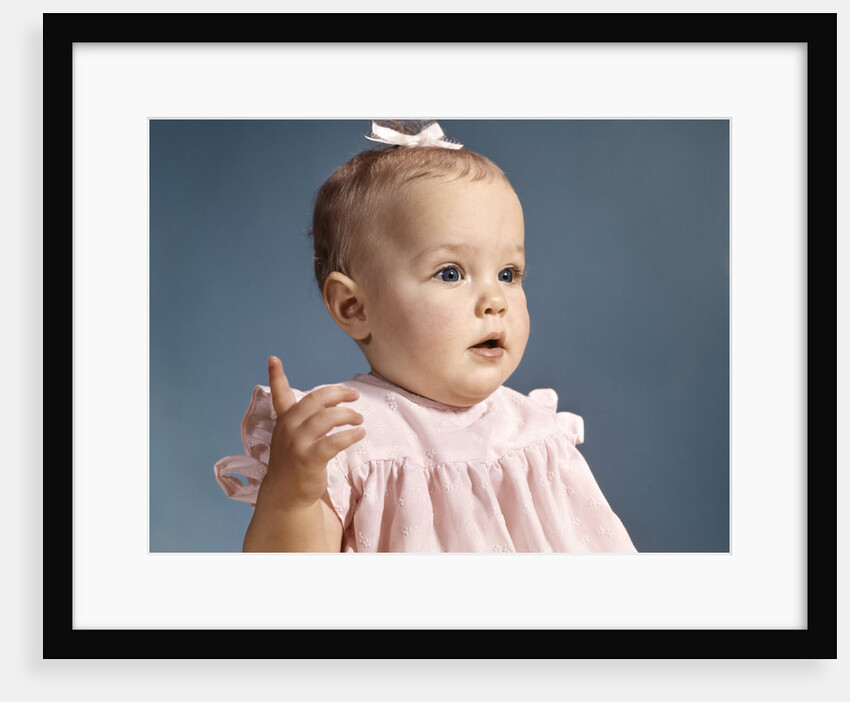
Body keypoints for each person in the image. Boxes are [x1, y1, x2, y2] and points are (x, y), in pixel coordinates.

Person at [214, 120, 637, 554]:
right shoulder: (345, 439)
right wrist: (291, 497)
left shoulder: (537, 435)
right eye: (450, 273)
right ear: (354, 307)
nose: (495, 299)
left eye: (508, 274)